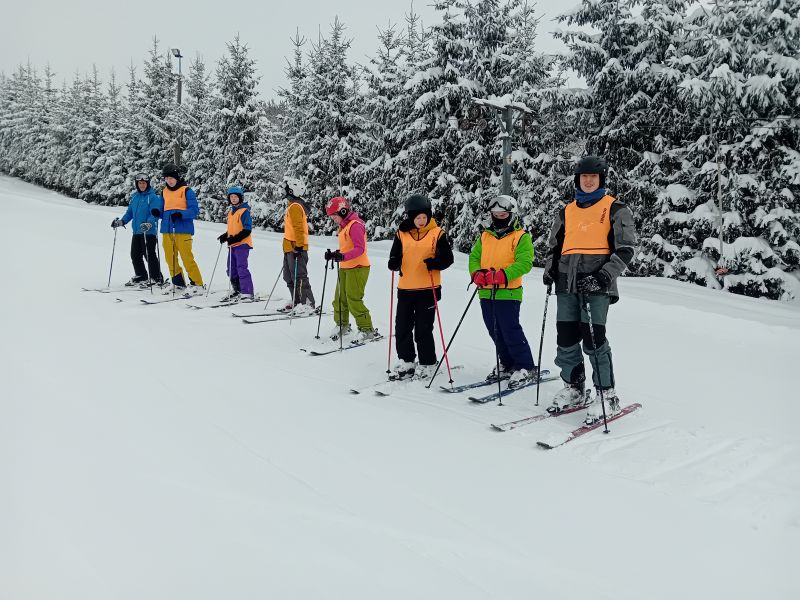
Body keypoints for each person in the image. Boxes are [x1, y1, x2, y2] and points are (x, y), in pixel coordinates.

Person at [543, 156, 636, 424]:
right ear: (577, 179)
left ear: (601, 180)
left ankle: (606, 394)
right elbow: (555, 246)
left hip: (596, 284)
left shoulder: (615, 209)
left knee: (594, 339)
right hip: (567, 284)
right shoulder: (566, 211)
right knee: (566, 337)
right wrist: (550, 268)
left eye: (593, 177)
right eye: (583, 177)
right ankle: (574, 387)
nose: (588, 181)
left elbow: (626, 249)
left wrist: (604, 276)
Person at [468, 195, 537, 389]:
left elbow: (525, 263)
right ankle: (507, 364)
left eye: (503, 214)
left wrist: (503, 275)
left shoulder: (521, 236)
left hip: (509, 292)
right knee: (494, 330)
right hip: (486, 291)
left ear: (512, 215)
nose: (499, 217)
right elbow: (474, 257)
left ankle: (525, 366)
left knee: (510, 329)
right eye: (496, 214)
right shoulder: (485, 236)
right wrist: (476, 274)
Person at [387, 194, 454, 380]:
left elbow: (448, 258)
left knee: (423, 329)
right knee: (402, 327)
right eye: (418, 218)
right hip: (406, 289)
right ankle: (407, 361)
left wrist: (436, 262)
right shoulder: (401, 234)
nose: (422, 221)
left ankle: (428, 363)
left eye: (425, 217)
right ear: (410, 217)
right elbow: (394, 257)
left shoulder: (437, 233)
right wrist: (393, 263)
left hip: (428, 289)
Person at [323, 196, 379, 344]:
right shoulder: (344, 226)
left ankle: (367, 329)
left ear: (342, 211)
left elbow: (360, 249)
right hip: (346, 267)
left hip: (358, 267)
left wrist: (342, 256)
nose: (333, 219)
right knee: (340, 299)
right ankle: (343, 324)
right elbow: (347, 247)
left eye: (334, 215)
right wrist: (335, 254)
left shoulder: (355, 225)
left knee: (353, 299)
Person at [150, 163, 204, 294]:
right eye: (166, 178)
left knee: (187, 258)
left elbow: (195, 210)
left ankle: (197, 284)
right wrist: (158, 213)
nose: (169, 180)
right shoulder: (164, 192)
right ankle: (178, 284)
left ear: (177, 177)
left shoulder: (186, 191)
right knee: (170, 258)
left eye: (171, 178)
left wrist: (181, 214)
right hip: (167, 230)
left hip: (183, 230)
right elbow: (163, 210)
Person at [111, 173, 163, 287]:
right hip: (137, 232)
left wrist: (149, 224)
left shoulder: (153, 197)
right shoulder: (135, 197)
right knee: (135, 255)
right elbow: (129, 213)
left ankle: (156, 277)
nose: (142, 185)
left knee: (149, 254)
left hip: (148, 232)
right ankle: (141, 276)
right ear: (137, 184)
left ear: (147, 184)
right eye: (140, 183)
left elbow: (155, 213)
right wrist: (122, 222)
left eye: (144, 183)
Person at [281, 177, 316, 314]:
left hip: (297, 248)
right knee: (288, 276)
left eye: (285, 188)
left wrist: (299, 246)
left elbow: (299, 228)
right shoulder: (292, 205)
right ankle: (296, 301)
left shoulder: (295, 206)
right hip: (289, 247)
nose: (283, 191)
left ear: (291, 190)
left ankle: (307, 303)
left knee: (300, 276)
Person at [217, 186, 255, 303]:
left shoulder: (244, 211)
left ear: (240, 198)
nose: (233, 199)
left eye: (236, 197)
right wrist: (226, 235)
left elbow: (247, 230)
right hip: (233, 245)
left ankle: (247, 292)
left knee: (241, 268)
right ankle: (237, 290)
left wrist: (235, 239)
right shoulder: (231, 212)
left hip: (242, 244)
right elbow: (233, 229)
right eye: (231, 197)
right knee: (231, 268)